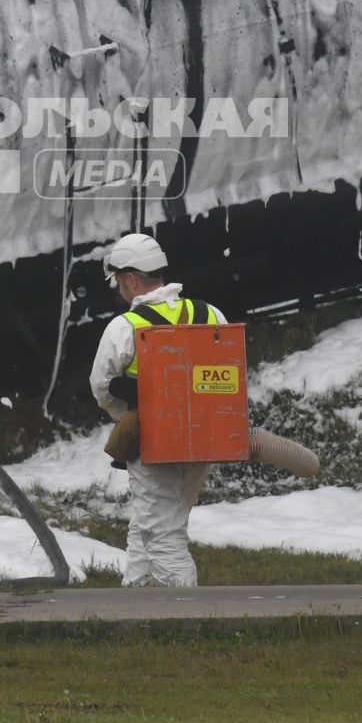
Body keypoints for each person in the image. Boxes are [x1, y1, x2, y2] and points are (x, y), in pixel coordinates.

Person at [89, 232, 222, 588]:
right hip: (203, 441)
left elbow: (101, 387)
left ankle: (185, 620)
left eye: (119, 282)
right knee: (151, 523)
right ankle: (136, 600)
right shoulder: (210, 313)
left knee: (163, 536)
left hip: (155, 445)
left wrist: (129, 417)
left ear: (131, 279)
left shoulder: (125, 327)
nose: (119, 289)